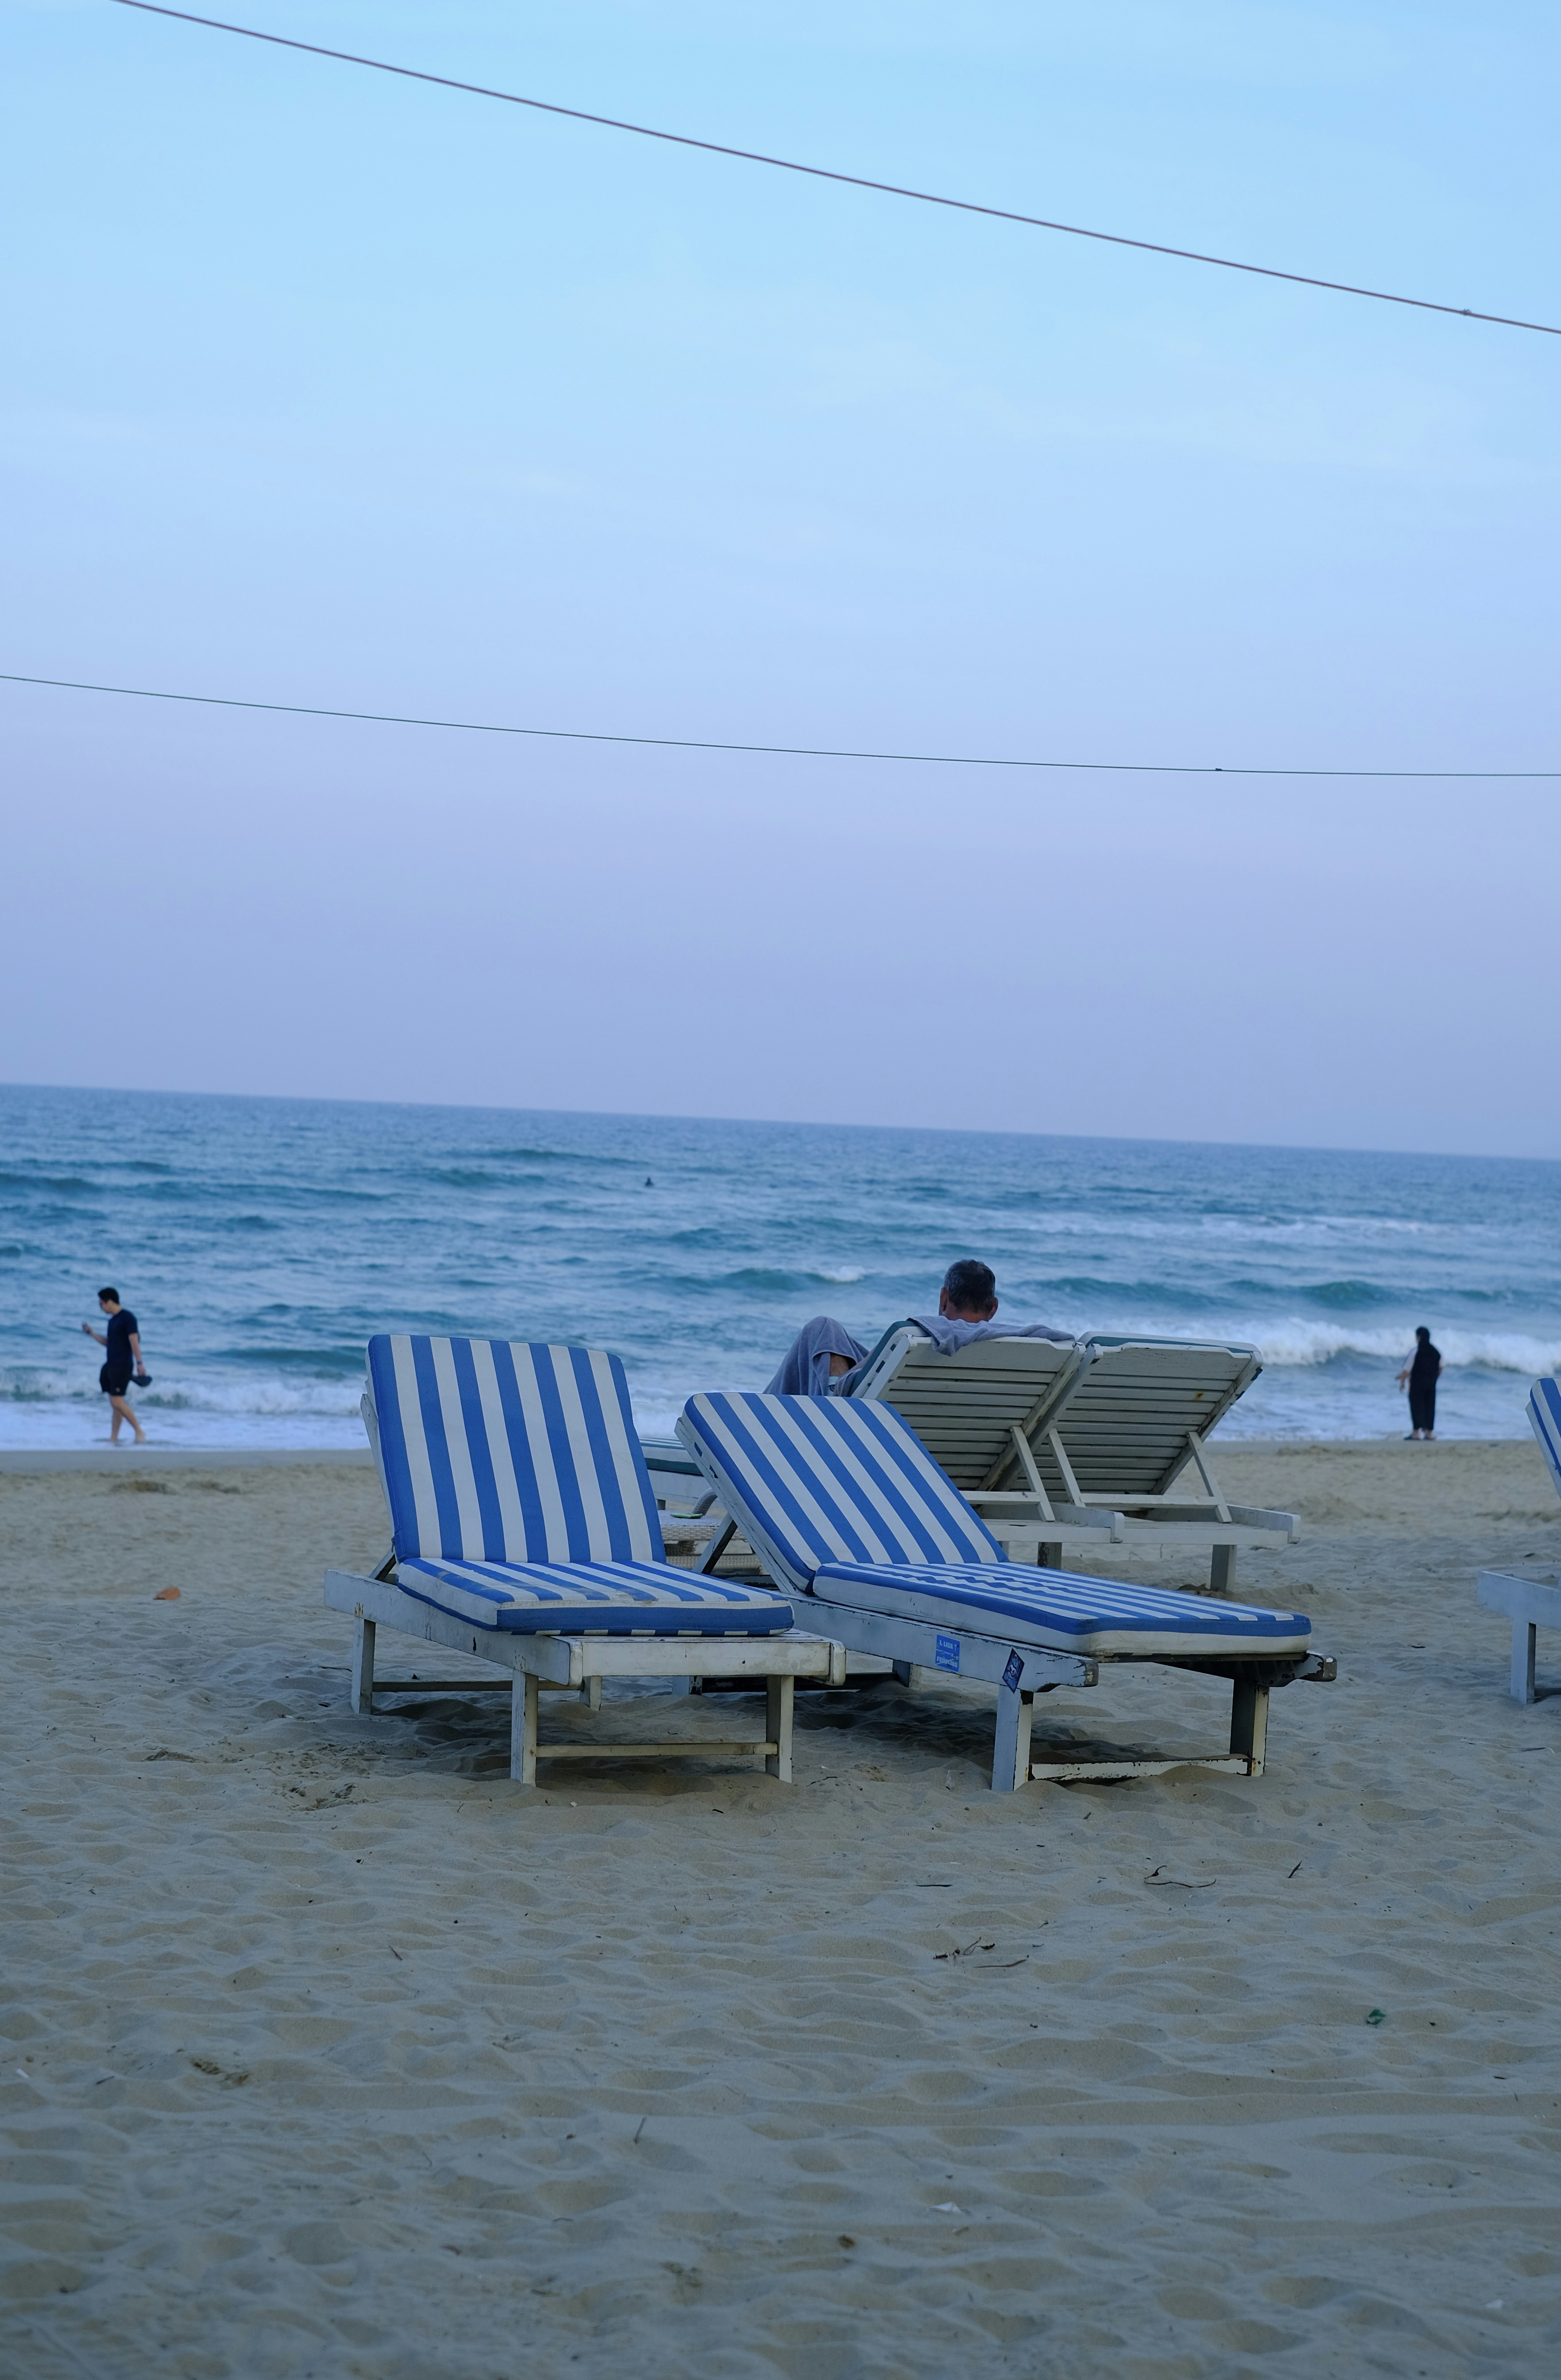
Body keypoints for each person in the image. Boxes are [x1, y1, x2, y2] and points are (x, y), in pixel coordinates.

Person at [765, 1259, 1072, 1398]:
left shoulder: (918, 1337)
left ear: (944, 1298)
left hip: (853, 1423)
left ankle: (755, 1426)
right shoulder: (1030, 1347)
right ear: (993, 1308)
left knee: (821, 1329)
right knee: (832, 1335)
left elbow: (848, 1387)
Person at [82, 1287, 148, 1444]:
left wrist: (140, 1363)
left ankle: (139, 1431)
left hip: (123, 1365)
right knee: (116, 1403)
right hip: (112, 1364)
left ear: (110, 1302)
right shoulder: (113, 1321)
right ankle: (114, 1438)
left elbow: (134, 1341)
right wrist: (92, 1334)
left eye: (102, 1304)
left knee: (117, 1402)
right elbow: (109, 1343)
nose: (101, 1308)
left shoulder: (128, 1318)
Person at [1395, 1326, 1441, 1441]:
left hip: (1417, 1383)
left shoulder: (1416, 1351)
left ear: (1419, 1337)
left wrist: (1402, 1381)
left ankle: (1416, 1433)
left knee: (1416, 1406)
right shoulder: (1436, 1352)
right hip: (1431, 1384)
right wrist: (1434, 1378)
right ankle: (1429, 1433)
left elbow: (1407, 1370)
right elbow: (1441, 1366)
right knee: (1430, 1406)